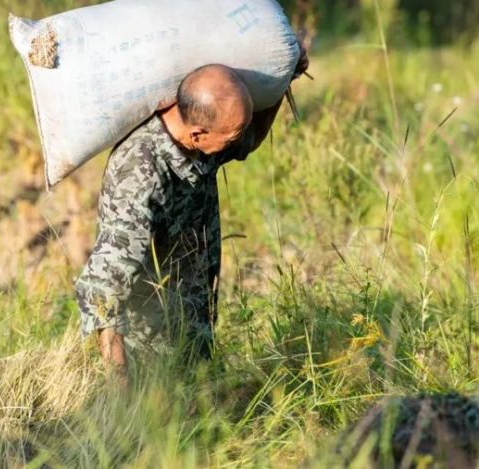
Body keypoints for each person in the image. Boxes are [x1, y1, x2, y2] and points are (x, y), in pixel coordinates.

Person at [75, 50, 308, 378]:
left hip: (192, 325)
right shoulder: (141, 173)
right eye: (230, 137)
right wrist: (120, 386)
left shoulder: (198, 137)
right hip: (148, 351)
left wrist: (284, 80)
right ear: (198, 134)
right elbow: (103, 287)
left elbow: (248, 142)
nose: (236, 141)